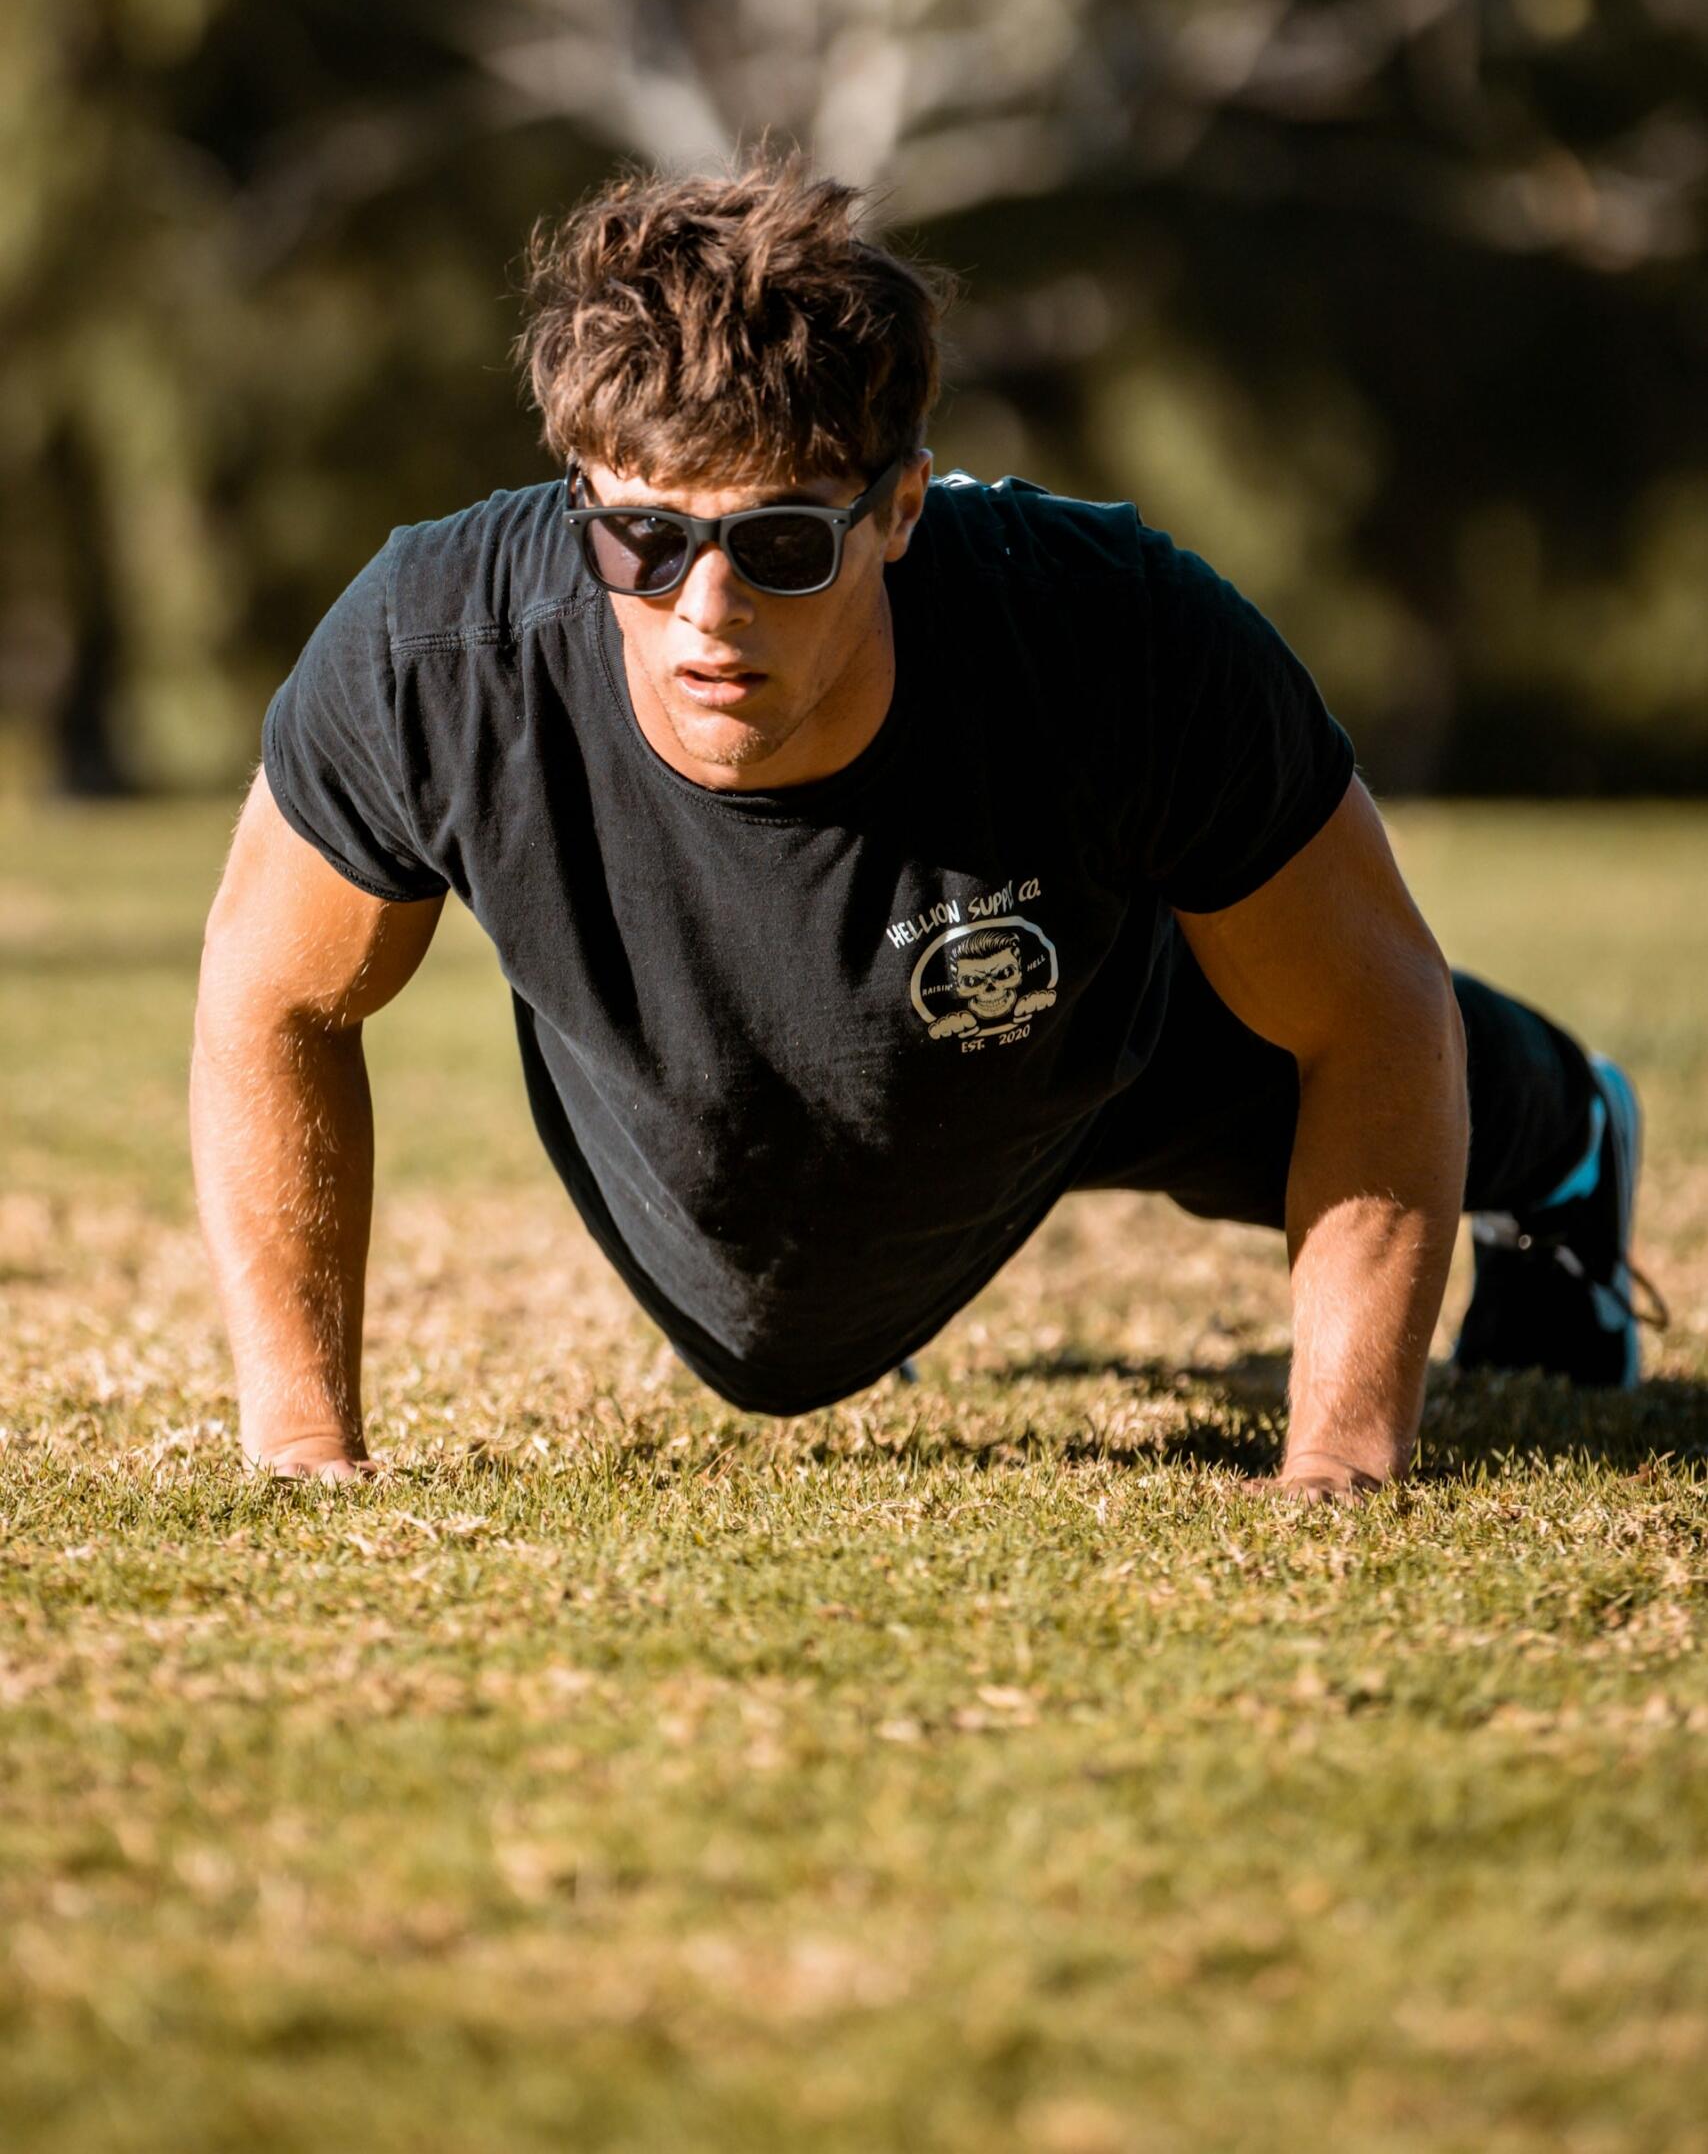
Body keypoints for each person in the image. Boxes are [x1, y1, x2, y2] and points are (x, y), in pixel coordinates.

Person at [190, 154, 1666, 1501]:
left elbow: (1376, 1008)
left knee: (1307, 1054)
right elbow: (272, 1000)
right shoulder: (435, 654)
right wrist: (305, 1448)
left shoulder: (1113, 638)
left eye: (776, 544)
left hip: (1084, 1029)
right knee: (779, 1311)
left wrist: (1342, 1456)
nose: (704, 612)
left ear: (900, 512)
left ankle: (1575, 1137)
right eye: (641, 538)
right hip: (705, 1124)